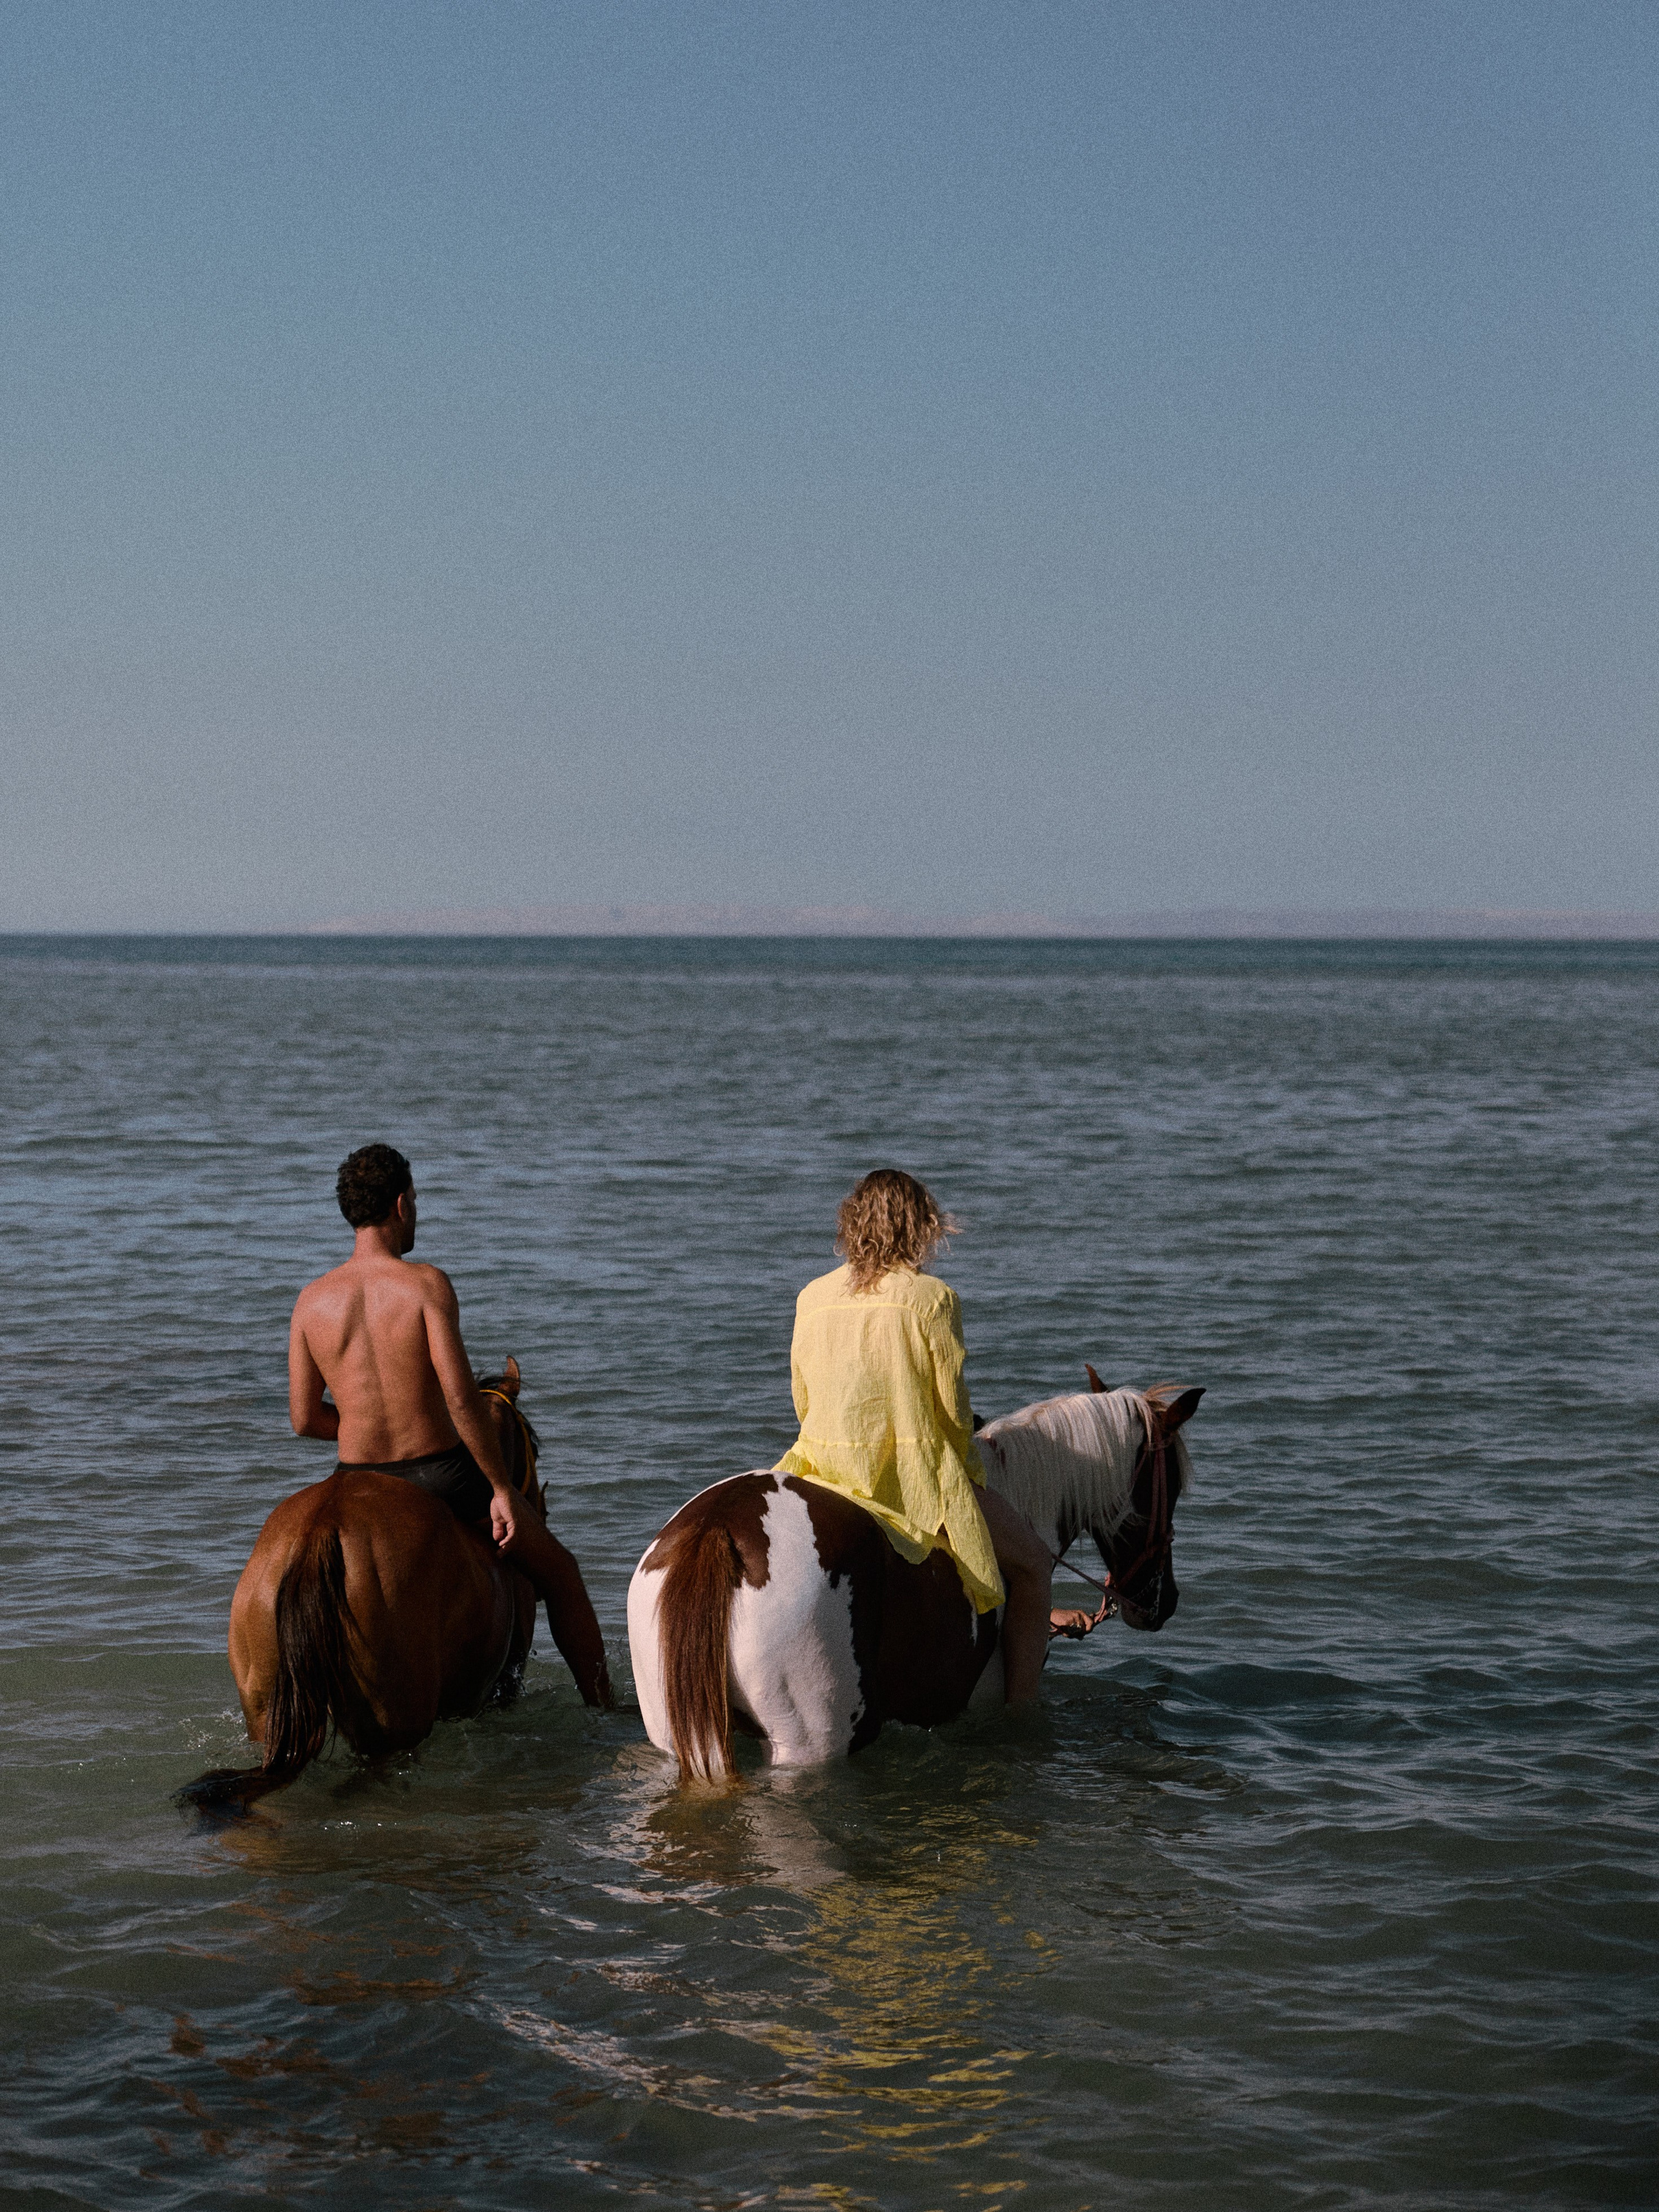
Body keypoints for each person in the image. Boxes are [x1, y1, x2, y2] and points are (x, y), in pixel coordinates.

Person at [287, 1143, 612, 1706]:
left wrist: (364, 1422)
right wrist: (504, 1490)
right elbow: (463, 1401)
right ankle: (605, 1709)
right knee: (560, 1570)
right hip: (438, 1475)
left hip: (356, 1476)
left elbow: (303, 1418)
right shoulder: (424, 1285)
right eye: (415, 1198)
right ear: (401, 1205)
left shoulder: (311, 1301)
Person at [774, 1169, 1054, 1703]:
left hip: (820, 1468)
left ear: (851, 1224)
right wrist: (969, 1467)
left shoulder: (812, 1297)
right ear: (921, 1227)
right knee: (1035, 1564)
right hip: (908, 1477)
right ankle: (1023, 1716)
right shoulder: (933, 1299)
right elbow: (951, 1412)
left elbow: (803, 1400)